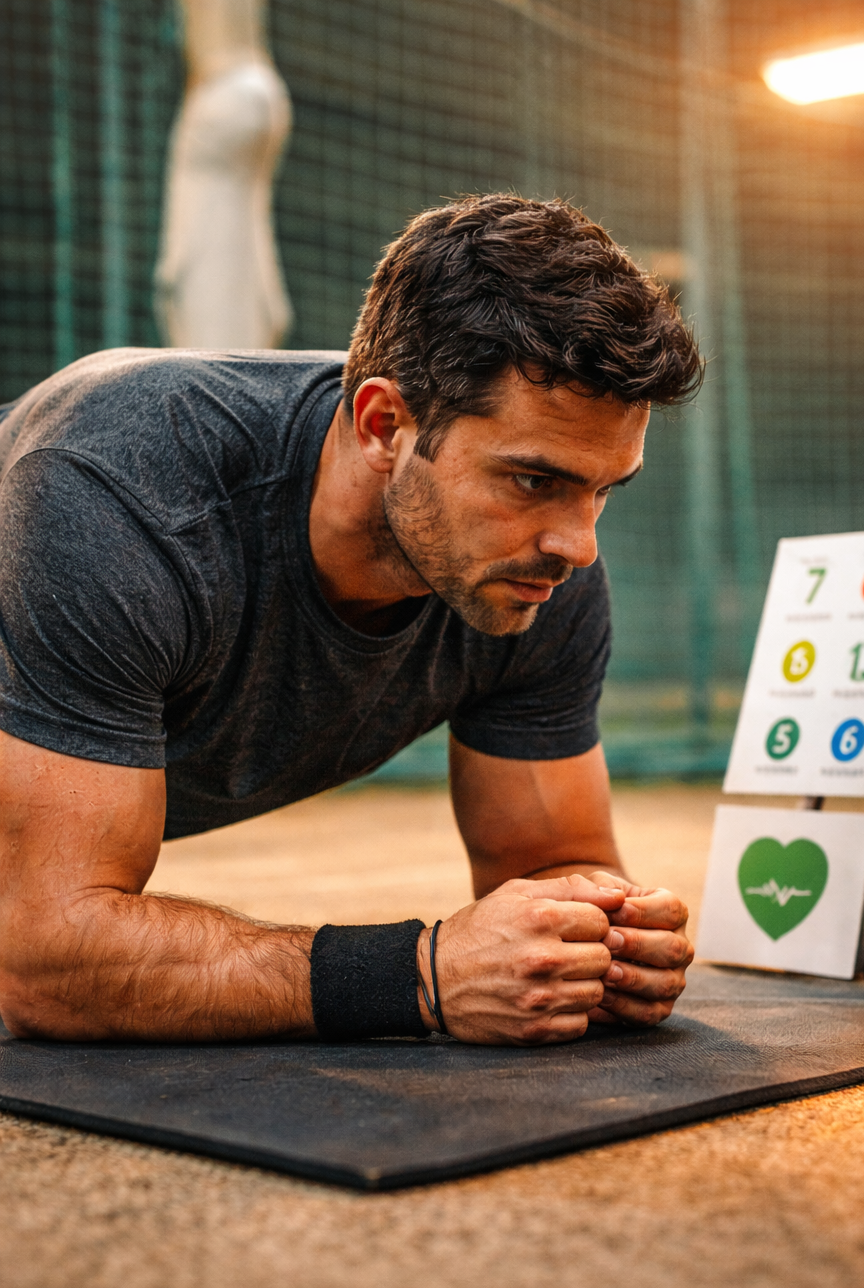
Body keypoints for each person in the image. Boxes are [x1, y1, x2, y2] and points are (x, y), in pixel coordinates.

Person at [0, 194, 701, 1048]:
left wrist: (611, 944)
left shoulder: (533, 575)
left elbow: (548, 866)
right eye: (533, 480)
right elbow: (46, 958)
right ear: (384, 425)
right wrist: (419, 972)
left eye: (603, 491)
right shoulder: (122, 496)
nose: (578, 545)